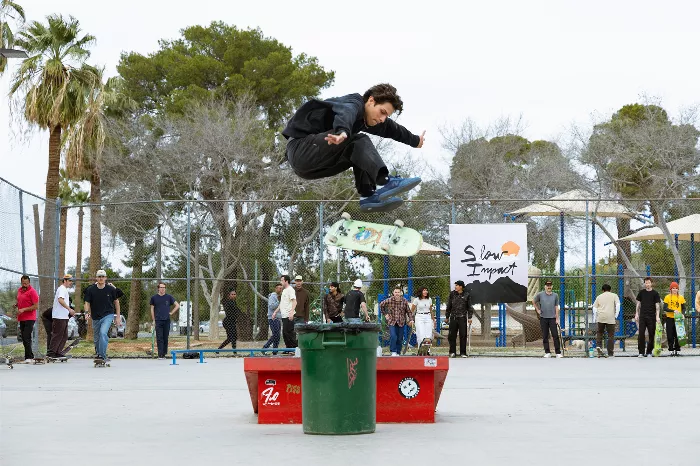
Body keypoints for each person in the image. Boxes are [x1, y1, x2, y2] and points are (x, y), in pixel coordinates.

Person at [282, 83, 425, 212]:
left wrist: (415, 140)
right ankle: (384, 181)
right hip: (301, 149)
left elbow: (392, 129)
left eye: (386, 116)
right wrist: (342, 131)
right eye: (382, 112)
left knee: (359, 154)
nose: (382, 119)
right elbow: (346, 112)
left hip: (310, 169)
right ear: (371, 100)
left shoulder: (368, 120)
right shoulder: (354, 102)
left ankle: (368, 195)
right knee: (359, 140)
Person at [84, 270, 122, 362]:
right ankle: (98, 353)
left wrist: (117, 316)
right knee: (96, 338)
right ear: (96, 278)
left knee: (103, 333)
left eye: (102, 276)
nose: (101, 278)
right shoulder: (91, 289)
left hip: (108, 315)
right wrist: (86, 312)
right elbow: (87, 302)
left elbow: (116, 302)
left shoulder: (111, 289)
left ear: (105, 278)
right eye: (99, 276)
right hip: (96, 317)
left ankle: (102, 355)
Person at [380, 287, 413, 356]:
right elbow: (381, 305)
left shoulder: (404, 301)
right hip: (392, 321)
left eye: (398, 292)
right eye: (395, 292)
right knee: (393, 336)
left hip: (401, 322)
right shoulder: (389, 300)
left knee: (400, 338)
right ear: (393, 293)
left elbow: (409, 311)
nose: (397, 293)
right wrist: (385, 314)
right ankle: (393, 351)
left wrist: (411, 320)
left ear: (400, 293)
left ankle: (398, 352)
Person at [149, 282, 179, 359]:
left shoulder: (169, 297)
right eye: (161, 287)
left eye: (164, 287)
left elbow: (177, 305)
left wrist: (172, 312)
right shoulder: (154, 298)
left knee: (165, 337)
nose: (163, 289)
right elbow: (152, 309)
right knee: (159, 337)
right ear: (158, 288)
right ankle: (160, 354)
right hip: (158, 320)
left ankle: (164, 353)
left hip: (166, 320)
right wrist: (153, 320)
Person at [48, 274, 75, 358]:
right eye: (69, 281)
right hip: (59, 316)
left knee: (64, 335)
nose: (71, 282)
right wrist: (69, 309)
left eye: (71, 281)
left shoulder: (64, 290)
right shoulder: (62, 289)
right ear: (65, 281)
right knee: (58, 334)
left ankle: (57, 352)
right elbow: (60, 300)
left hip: (63, 316)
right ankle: (51, 352)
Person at [446, 280, 474, 358]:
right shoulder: (452, 294)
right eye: (455, 285)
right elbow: (449, 306)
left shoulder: (466, 295)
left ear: (461, 286)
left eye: (457, 285)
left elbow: (469, 307)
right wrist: (447, 317)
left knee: (463, 335)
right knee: (452, 335)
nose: (455, 287)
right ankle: (452, 352)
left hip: (462, 318)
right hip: (453, 317)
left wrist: (470, 317)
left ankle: (463, 352)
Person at [533, 280, 562, 358]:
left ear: (552, 286)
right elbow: (533, 301)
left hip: (552, 318)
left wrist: (557, 318)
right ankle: (547, 352)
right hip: (543, 318)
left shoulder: (555, 295)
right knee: (545, 335)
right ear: (545, 286)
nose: (549, 287)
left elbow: (556, 307)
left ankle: (558, 353)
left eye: (550, 285)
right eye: (547, 285)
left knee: (555, 335)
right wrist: (538, 310)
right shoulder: (540, 294)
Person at [14, 275, 39, 362]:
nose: (24, 285)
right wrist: (17, 304)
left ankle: (29, 357)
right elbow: (21, 300)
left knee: (26, 336)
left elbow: (36, 306)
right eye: (23, 283)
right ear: (21, 283)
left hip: (30, 318)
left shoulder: (32, 292)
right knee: (24, 338)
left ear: (29, 283)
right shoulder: (19, 290)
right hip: (21, 318)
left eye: (26, 283)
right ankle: (28, 357)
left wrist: (23, 309)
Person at [592, 283, 620, 358]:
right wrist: (616, 315)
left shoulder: (599, 296)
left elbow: (594, 308)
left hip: (601, 317)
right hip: (610, 317)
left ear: (602, 290)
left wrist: (595, 318)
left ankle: (599, 347)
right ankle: (610, 353)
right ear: (610, 290)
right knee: (611, 335)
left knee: (599, 333)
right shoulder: (614, 295)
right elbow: (618, 305)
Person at [635, 277, 660, 357]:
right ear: (644, 283)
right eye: (646, 283)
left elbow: (657, 306)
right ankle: (641, 352)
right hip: (642, 316)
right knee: (641, 334)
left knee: (651, 334)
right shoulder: (641, 292)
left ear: (651, 283)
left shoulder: (655, 293)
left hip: (652, 316)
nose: (647, 284)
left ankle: (649, 352)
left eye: (648, 283)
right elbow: (638, 304)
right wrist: (636, 314)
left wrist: (657, 316)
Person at [273, 275, 297, 348]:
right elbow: (281, 303)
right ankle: (289, 348)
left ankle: (295, 348)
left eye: (282, 280)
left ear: (286, 281)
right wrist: (275, 312)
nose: (281, 282)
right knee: (285, 333)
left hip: (289, 315)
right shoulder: (284, 291)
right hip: (284, 315)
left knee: (289, 333)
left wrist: (291, 313)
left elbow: (294, 302)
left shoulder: (290, 290)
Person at [663, 282, 686, 356]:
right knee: (670, 335)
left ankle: (677, 349)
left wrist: (683, 314)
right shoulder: (667, 297)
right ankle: (671, 349)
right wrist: (673, 311)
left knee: (678, 334)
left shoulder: (681, 297)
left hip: (678, 319)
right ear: (671, 289)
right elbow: (665, 308)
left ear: (678, 289)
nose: (675, 289)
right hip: (670, 318)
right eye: (673, 288)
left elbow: (683, 308)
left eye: (676, 288)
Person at [263, 284, 283, 354]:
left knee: (278, 336)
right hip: (272, 318)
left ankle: (275, 351)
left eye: (281, 288)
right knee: (275, 334)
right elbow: (271, 306)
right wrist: (278, 301)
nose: (280, 290)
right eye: (279, 288)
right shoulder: (272, 296)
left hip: (278, 318)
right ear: (276, 289)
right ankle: (265, 347)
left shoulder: (280, 297)